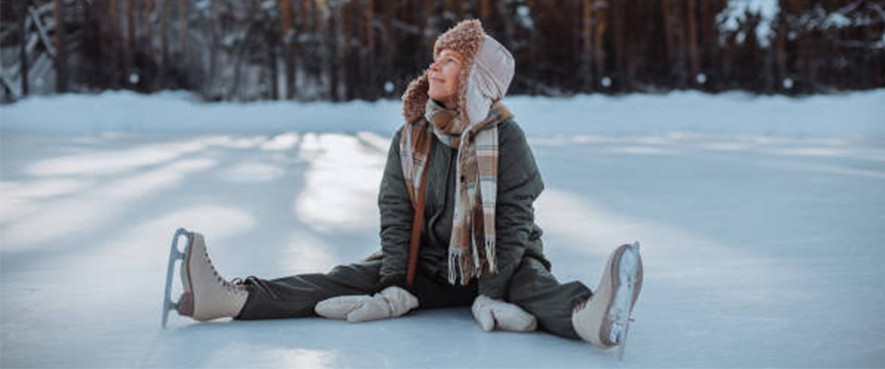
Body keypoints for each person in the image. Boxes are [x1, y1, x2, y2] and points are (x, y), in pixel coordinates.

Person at [166, 19, 643, 350]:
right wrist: (397, 284)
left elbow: (514, 224)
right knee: (346, 278)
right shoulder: (413, 134)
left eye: (451, 60)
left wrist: (492, 292)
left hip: (499, 261)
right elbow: (396, 211)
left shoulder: (506, 139)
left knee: (534, 286)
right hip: (428, 265)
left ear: (477, 79)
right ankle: (230, 298)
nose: (434, 67)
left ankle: (589, 316)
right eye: (436, 58)